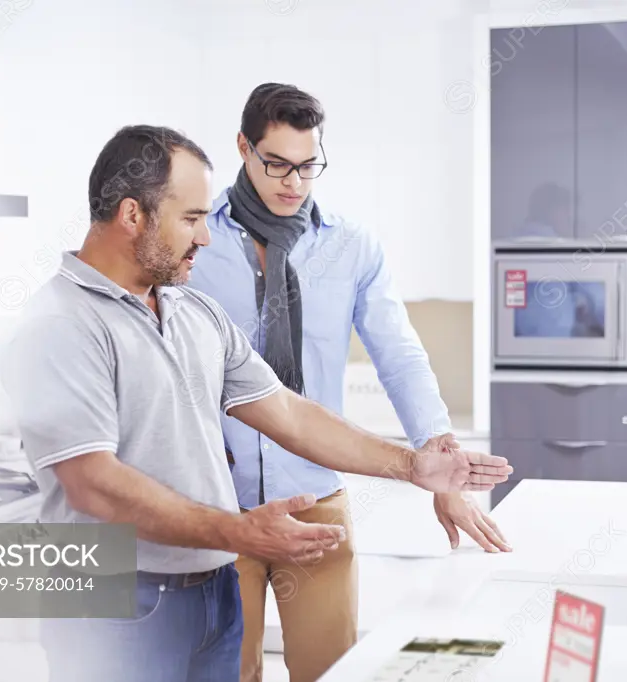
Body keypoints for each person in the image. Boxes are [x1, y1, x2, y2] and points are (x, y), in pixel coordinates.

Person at [0, 124, 513, 682]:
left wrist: (413, 465)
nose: (207, 236)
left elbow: (288, 414)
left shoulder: (195, 314)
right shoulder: (60, 324)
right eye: (191, 219)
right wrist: (235, 532)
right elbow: (90, 482)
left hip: (212, 596)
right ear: (132, 215)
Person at [187, 83, 513, 682]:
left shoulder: (352, 245)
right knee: (228, 673)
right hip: (213, 499)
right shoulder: (194, 242)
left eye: (308, 166)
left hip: (315, 498)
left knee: (331, 671)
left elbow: (399, 353)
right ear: (243, 148)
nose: (294, 182)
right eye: (277, 164)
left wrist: (438, 459)